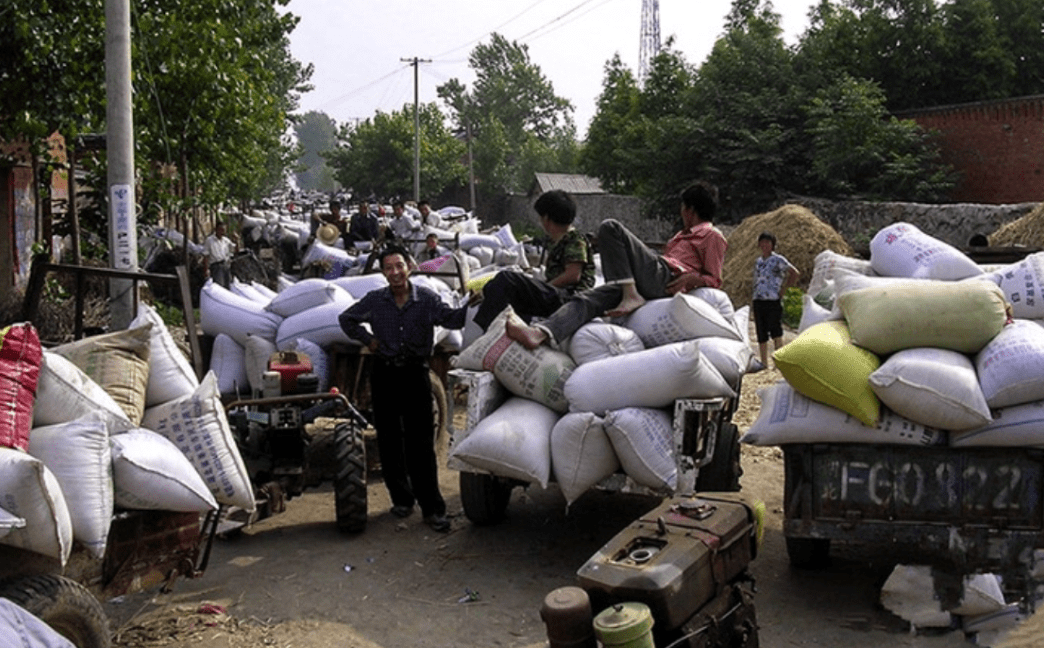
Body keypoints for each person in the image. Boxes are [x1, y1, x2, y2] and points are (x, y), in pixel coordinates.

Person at [337, 246, 470, 533]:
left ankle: (433, 509)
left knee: (420, 443)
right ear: (383, 272)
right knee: (389, 440)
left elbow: (453, 320)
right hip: (384, 374)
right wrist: (368, 340)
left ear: (409, 266)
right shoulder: (375, 301)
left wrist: (475, 300)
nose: (395, 272)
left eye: (399, 266)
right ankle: (401, 500)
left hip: (415, 373)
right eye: (389, 268)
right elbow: (346, 319)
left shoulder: (427, 300)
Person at [506, 180, 726, 349]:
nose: (681, 212)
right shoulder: (680, 235)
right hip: (650, 278)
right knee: (586, 299)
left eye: (682, 208)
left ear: (689, 209)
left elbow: (715, 279)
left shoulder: (712, 236)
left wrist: (693, 278)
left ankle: (630, 295)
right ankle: (539, 333)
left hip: (666, 275)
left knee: (610, 227)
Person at [472, 189, 595, 331]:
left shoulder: (575, 240)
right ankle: (484, 324)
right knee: (505, 295)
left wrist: (544, 288)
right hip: (558, 295)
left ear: (547, 219)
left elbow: (573, 275)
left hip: (570, 299)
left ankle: (481, 328)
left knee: (506, 279)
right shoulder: (557, 241)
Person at [752, 231, 799, 368]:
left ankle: (778, 362)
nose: (765, 245)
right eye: (763, 242)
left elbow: (794, 272)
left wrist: (784, 290)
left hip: (772, 300)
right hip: (758, 299)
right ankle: (764, 362)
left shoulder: (778, 260)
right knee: (761, 332)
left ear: (773, 245)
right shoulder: (758, 261)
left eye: (768, 242)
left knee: (775, 331)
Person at [203, 220, 236, 288]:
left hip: (225, 265)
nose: (222, 232)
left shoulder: (226, 240)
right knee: (219, 286)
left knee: (228, 286)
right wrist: (206, 269)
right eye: (220, 230)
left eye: (224, 230)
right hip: (216, 266)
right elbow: (206, 255)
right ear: (216, 229)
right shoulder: (209, 240)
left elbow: (235, 250)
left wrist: (236, 240)